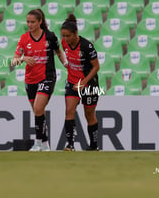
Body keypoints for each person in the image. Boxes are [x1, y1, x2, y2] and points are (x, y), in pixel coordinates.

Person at [12, 9, 67, 151]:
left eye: (32, 22)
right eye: (28, 22)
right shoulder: (24, 38)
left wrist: (67, 65)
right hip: (30, 80)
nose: (29, 24)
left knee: (38, 108)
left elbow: (59, 52)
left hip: (47, 77)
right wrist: (23, 58)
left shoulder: (50, 37)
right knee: (38, 112)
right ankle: (45, 143)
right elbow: (14, 61)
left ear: (40, 22)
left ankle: (38, 142)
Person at [60, 14, 100, 151]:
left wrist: (84, 81)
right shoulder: (64, 43)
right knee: (69, 110)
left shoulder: (86, 46)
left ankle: (94, 145)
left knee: (89, 114)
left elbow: (96, 67)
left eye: (67, 36)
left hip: (89, 84)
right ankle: (70, 145)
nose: (65, 39)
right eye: (63, 36)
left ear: (75, 34)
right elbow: (62, 55)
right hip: (72, 83)